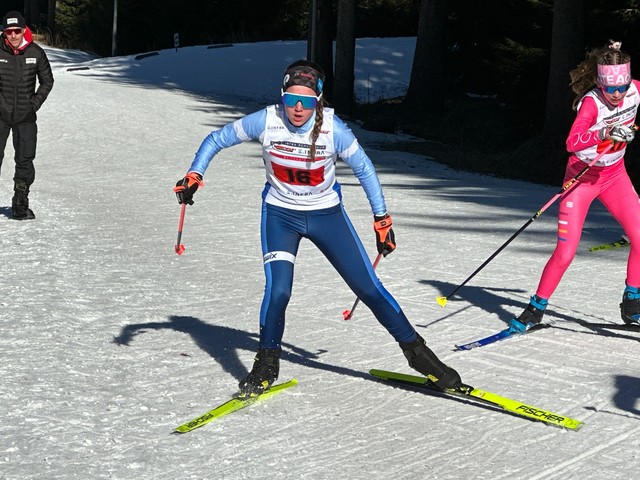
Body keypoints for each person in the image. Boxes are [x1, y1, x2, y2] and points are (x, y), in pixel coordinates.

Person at [174, 59, 462, 396]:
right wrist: (195, 173)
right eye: (291, 99)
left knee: (369, 289)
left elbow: (365, 170)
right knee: (278, 291)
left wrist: (381, 220)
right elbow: (216, 139)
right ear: (282, 96)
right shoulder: (266, 121)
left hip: (327, 217)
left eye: (307, 101)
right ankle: (266, 362)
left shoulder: (334, 130)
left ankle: (420, 357)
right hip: (280, 216)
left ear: (319, 100)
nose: (298, 108)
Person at [509, 41, 640, 331]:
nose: (617, 94)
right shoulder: (592, 103)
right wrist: (605, 131)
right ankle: (535, 308)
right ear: (599, 82)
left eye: (622, 87)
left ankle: (632, 305)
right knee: (566, 252)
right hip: (581, 180)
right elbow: (572, 142)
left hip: (615, 176)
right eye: (610, 88)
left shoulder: (635, 91)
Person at [0, 11, 54, 220]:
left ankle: (20, 203)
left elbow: (47, 81)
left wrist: (35, 104)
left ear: (23, 30)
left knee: (25, 160)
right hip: (1, 116)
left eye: (16, 31)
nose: (12, 35)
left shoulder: (36, 53)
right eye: (8, 31)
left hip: (26, 117)